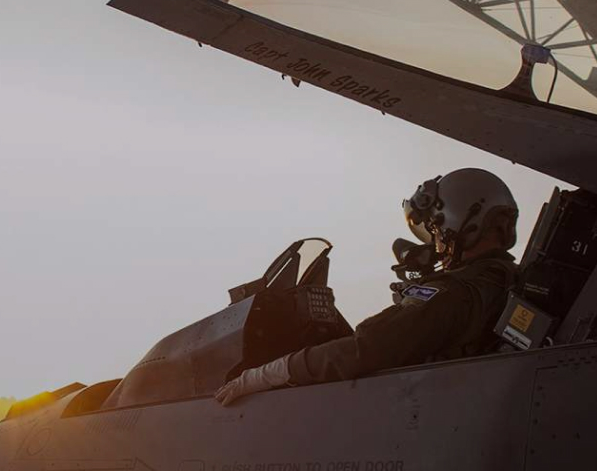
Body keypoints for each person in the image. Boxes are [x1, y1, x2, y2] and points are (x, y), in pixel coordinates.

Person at [215, 168, 519, 406]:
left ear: (459, 220)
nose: (437, 243)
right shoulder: (505, 281)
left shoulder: (453, 294)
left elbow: (368, 347)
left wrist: (269, 373)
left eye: (436, 229)